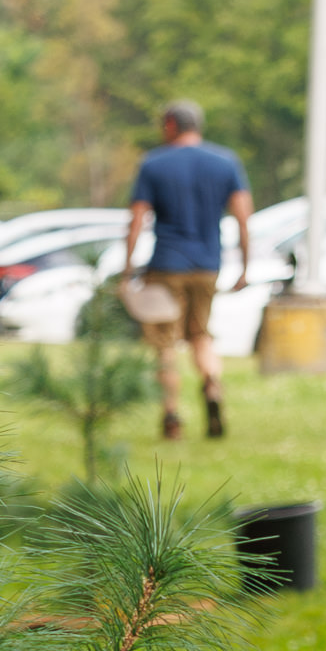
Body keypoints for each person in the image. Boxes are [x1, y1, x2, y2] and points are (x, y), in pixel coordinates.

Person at [120, 100, 252, 440]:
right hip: (208, 266)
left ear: (170, 125)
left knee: (165, 343)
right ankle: (211, 385)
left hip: (166, 265)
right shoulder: (226, 162)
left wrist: (127, 267)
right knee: (200, 335)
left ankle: (171, 416)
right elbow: (242, 216)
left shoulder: (153, 164)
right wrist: (246, 265)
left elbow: (137, 220)